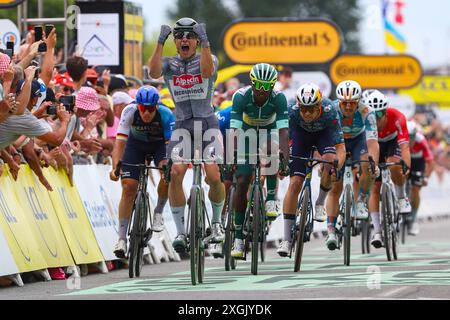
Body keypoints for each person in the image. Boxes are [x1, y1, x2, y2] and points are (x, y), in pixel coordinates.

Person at [149, 17, 226, 253]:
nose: (184, 40)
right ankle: (181, 231)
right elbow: (153, 73)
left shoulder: (207, 56)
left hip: (207, 123)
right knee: (175, 172)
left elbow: (206, 71)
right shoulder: (170, 63)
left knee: (213, 174)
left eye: (189, 36)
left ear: (195, 41)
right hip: (182, 124)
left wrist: (205, 41)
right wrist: (161, 42)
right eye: (179, 36)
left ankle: (215, 223)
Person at [230, 63, 290, 258]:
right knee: (241, 182)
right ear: (252, 83)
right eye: (259, 86)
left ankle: (272, 199)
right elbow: (235, 131)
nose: (262, 91)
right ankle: (238, 239)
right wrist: (231, 155)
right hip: (246, 134)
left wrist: (284, 158)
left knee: (273, 151)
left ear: (273, 86)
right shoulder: (240, 96)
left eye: (267, 87)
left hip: (268, 132)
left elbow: (283, 132)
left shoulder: (279, 98)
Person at [277, 83, 345, 257]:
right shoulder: (291, 109)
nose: (307, 113)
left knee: (330, 160)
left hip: (324, 135)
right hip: (300, 137)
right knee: (295, 183)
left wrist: (337, 167)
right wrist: (283, 164)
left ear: (319, 106)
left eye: (311, 109)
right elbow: (283, 138)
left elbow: (340, 147)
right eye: (304, 109)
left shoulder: (330, 110)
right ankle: (286, 239)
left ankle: (320, 202)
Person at [110, 86, 174, 257]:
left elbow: (170, 149)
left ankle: (158, 212)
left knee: (168, 174)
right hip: (135, 146)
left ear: (156, 106)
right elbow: (119, 143)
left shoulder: (166, 114)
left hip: (159, 146)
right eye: (143, 108)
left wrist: (166, 166)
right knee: (129, 187)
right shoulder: (129, 111)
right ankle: (122, 239)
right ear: (137, 105)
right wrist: (115, 167)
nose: (146, 113)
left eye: (151, 109)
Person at [325, 80, 379, 250]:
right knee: (335, 187)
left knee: (367, 166)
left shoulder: (367, 111)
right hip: (337, 141)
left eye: (352, 103)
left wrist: (374, 164)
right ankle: (331, 229)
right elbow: (324, 138)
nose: (348, 107)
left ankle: (361, 200)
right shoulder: (331, 110)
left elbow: (372, 142)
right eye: (344, 103)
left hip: (358, 141)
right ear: (339, 101)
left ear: (358, 101)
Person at [366, 90, 411, 248]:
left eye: (379, 115)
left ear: (386, 112)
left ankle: (401, 197)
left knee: (394, 164)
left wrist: (406, 164)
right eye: (373, 115)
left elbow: (404, 147)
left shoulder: (398, 117)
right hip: (374, 145)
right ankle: (377, 230)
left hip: (392, 144)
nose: (376, 120)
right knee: (374, 187)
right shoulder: (365, 120)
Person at [407, 121, 434, 236]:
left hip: (418, 162)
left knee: (415, 189)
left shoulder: (421, 141)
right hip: (405, 160)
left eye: (412, 137)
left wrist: (426, 177)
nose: (410, 140)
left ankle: (413, 219)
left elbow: (430, 162)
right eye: (408, 137)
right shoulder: (400, 140)